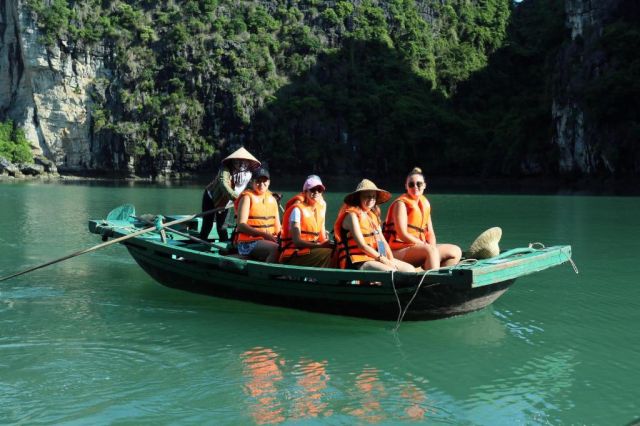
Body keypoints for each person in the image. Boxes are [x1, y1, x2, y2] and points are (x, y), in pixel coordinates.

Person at [383, 167, 462, 269]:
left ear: (424, 185)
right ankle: (432, 281)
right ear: (406, 186)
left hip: (419, 247)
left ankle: (437, 276)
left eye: (419, 184)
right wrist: (425, 245)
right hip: (398, 250)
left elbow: (430, 233)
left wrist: (431, 246)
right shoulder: (401, 204)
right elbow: (402, 234)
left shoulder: (424, 204)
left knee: (455, 251)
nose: (415, 187)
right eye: (411, 184)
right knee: (430, 250)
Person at [334, 179, 415, 272]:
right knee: (392, 272)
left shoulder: (372, 216)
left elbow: (382, 241)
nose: (371, 199)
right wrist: (382, 260)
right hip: (358, 261)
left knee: (410, 270)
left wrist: (389, 259)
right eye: (367, 196)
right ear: (358, 197)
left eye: (373, 196)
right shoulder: (352, 216)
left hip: (373, 257)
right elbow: (362, 246)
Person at [200, 147, 261, 241]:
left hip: (228, 201)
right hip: (211, 197)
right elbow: (224, 184)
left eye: (244, 162)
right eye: (238, 161)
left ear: (248, 162)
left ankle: (224, 246)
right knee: (207, 224)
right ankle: (201, 243)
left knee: (222, 227)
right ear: (233, 161)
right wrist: (238, 199)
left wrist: (269, 195)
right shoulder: (225, 170)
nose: (241, 164)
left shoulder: (249, 173)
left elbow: (257, 185)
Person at [278, 175, 333, 268]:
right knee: (329, 253)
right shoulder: (297, 209)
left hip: (310, 250)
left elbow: (321, 237)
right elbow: (297, 242)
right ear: (305, 192)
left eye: (319, 190)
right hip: (294, 253)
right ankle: (322, 280)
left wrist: (327, 243)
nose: (316, 192)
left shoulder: (319, 210)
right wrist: (320, 246)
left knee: (336, 250)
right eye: (313, 190)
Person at [234, 167, 281, 262]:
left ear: (269, 182)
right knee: (275, 249)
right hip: (248, 242)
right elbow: (241, 226)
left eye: (264, 181)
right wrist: (264, 235)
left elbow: (278, 227)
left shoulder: (272, 199)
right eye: (258, 181)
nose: (261, 184)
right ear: (252, 182)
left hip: (269, 239)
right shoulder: (247, 198)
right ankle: (266, 274)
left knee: (289, 247)